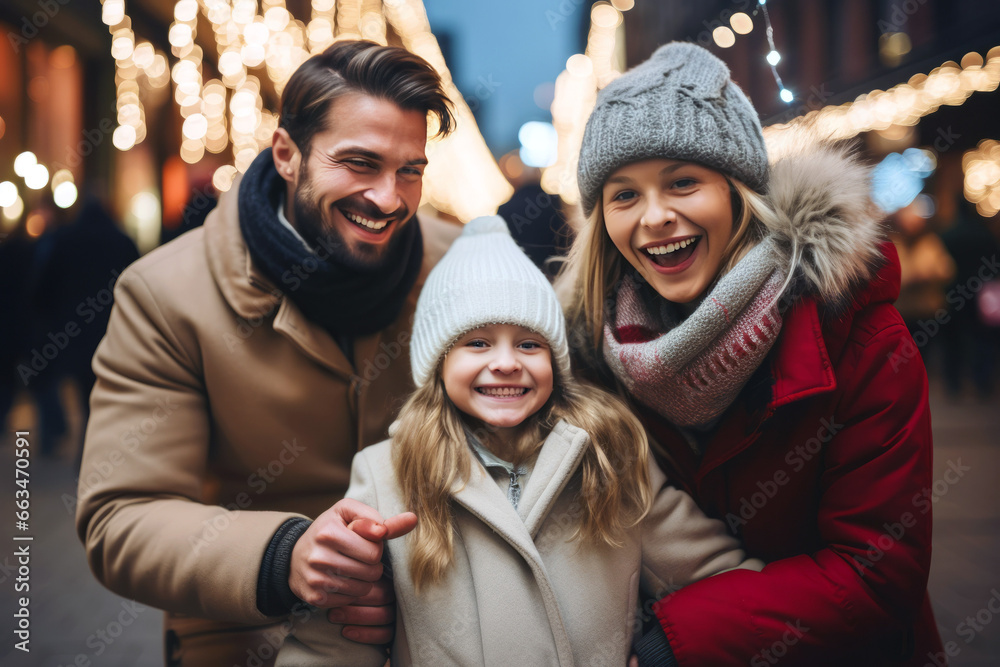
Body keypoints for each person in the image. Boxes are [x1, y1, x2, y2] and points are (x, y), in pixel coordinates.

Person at [75, 40, 461, 666]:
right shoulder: (166, 294)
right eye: (360, 163)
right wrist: (284, 557)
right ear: (287, 155)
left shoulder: (462, 264)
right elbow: (121, 518)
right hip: (247, 635)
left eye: (409, 170)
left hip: (441, 616)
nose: (389, 199)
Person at [558, 42, 941, 665]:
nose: (654, 216)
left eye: (683, 182)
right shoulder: (588, 355)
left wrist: (676, 642)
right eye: (623, 195)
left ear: (739, 192)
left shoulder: (855, 333)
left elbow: (875, 573)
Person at [276, 215, 762, 666]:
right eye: (478, 343)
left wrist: (669, 647)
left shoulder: (608, 460)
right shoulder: (385, 475)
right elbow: (332, 642)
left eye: (529, 344)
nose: (507, 362)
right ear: (438, 363)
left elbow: (726, 581)